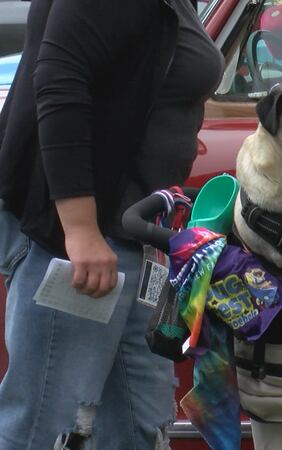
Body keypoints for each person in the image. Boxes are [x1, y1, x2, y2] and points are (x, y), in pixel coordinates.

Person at [0, 0, 223, 448]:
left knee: (140, 421)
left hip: (136, 236)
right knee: (48, 420)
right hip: (78, 240)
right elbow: (60, 82)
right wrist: (79, 230)